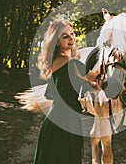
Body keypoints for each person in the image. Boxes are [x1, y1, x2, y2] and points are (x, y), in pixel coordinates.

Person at [33, 19, 99, 164]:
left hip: (55, 120)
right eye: (65, 36)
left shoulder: (57, 61)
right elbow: (95, 77)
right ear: (57, 41)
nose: (71, 38)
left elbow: (89, 85)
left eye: (72, 34)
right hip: (66, 123)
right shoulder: (72, 63)